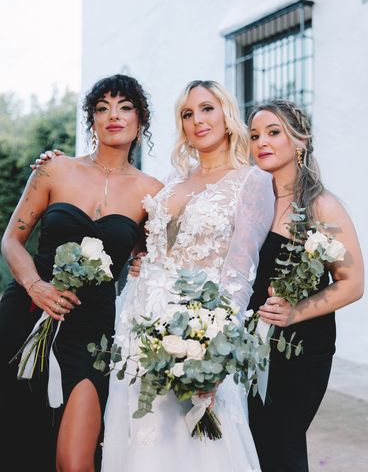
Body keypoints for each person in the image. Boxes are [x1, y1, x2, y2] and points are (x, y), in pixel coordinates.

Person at [0, 74, 162, 472]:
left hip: (93, 330)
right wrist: (35, 285)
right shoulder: (54, 170)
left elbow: (153, 259)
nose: (113, 116)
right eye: (102, 108)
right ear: (92, 120)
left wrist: (142, 263)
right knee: (23, 438)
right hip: (29, 315)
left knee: (76, 460)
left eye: (124, 107)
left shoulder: (152, 192)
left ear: (142, 118)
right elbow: (11, 241)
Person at [100, 80, 273, 471]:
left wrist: (216, 350)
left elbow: (240, 274)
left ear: (227, 115)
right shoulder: (172, 181)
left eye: (207, 108)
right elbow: (153, 241)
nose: (198, 120)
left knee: (199, 444)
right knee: (143, 438)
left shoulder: (253, 181)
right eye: (187, 113)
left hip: (198, 330)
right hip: (140, 323)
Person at [246, 99, 364, 472]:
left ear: (300, 140)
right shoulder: (251, 202)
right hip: (247, 345)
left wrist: (295, 312)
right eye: (254, 135)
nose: (261, 142)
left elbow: (353, 282)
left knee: (282, 446)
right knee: (251, 447)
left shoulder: (321, 206)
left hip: (300, 350)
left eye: (273, 132)